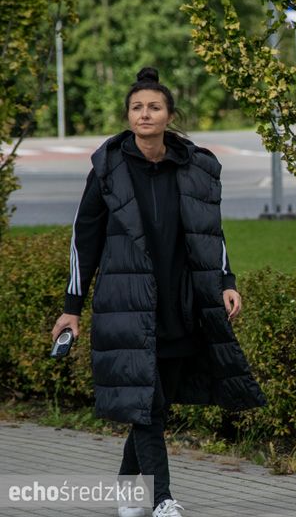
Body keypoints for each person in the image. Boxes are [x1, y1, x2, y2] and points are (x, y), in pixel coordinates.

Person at [50, 67, 265, 517]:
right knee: (147, 405)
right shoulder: (108, 168)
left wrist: (226, 281)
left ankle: (129, 491)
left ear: (169, 115)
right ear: (128, 116)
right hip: (127, 306)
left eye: (154, 107)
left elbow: (212, 232)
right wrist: (72, 307)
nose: (145, 114)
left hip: (179, 304)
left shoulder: (195, 167)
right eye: (137, 107)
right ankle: (161, 499)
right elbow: (83, 237)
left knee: (154, 406)